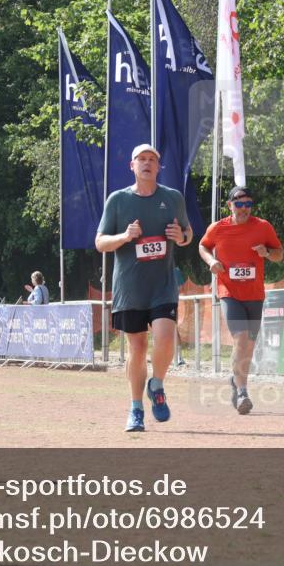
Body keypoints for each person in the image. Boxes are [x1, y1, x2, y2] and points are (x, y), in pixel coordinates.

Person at [95, 144, 192, 432]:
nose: (147, 163)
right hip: (129, 288)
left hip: (162, 286)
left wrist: (182, 236)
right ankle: (135, 409)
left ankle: (157, 384)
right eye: (142, 159)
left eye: (153, 159)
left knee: (165, 338)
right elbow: (100, 243)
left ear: (159, 167)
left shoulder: (173, 198)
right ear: (132, 165)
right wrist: (125, 236)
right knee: (137, 349)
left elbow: (187, 233)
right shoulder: (118, 200)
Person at [199, 186, 284, 414]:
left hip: (255, 295)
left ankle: (235, 380)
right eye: (239, 204)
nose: (244, 209)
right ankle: (243, 392)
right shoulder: (217, 228)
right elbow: (203, 246)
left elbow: (279, 254)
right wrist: (211, 262)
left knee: (249, 346)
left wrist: (266, 252)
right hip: (229, 292)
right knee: (241, 338)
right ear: (230, 205)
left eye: (248, 204)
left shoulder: (263, 227)